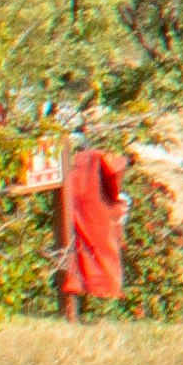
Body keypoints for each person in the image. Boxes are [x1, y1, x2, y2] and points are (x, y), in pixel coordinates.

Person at [57, 132, 132, 317]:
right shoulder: (95, 157)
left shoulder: (66, 161)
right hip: (97, 215)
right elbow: (115, 167)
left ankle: (84, 305)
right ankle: (106, 308)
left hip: (73, 211)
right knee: (104, 257)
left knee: (79, 255)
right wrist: (127, 160)